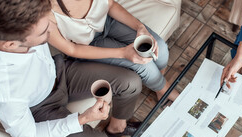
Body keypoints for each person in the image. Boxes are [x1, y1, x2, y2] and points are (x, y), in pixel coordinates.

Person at [0, 0, 143, 137]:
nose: (50, 32)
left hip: (60, 71)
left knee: (130, 82)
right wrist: (82, 119)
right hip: (40, 108)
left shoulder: (19, 19)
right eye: (43, 32)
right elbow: (28, 136)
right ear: (10, 45)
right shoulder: (6, 92)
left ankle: (117, 128)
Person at [47, 0, 179, 107]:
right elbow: (72, 49)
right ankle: (164, 89)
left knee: (159, 47)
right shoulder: (43, 12)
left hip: (108, 20)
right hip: (86, 46)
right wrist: (122, 53)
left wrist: (140, 27)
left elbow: (110, 4)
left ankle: (159, 86)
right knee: (143, 66)